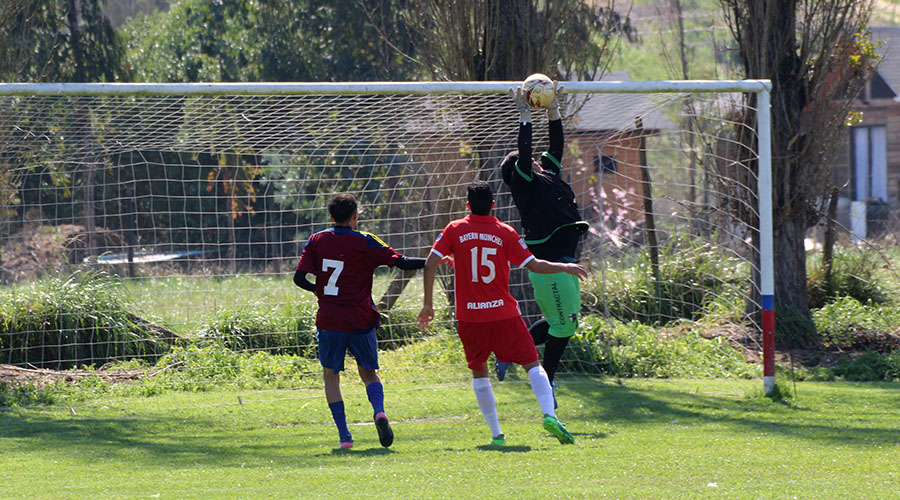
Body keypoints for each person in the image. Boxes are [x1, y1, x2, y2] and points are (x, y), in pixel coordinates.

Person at [416, 181, 587, 446]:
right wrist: (564, 267)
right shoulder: (504, 232)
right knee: (532, 364)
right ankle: (549, 415)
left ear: (468, 206)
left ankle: (497, 435)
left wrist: (428, 305)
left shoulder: (455, 229)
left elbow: (429, 264)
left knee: (480, 373)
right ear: (493, 205)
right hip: (504, 314)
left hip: (470, 318)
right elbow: (536, 264)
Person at [294, 193, 425, 449]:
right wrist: (433, 260)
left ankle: (345, 437)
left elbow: (299, 279)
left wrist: (318, 289)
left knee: (331, 376)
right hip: (360, 318)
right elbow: (403, 263)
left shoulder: (316, 240)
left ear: (331, 217)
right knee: (369, 372)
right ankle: (379, 412)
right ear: (355, 217)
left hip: (330, 319)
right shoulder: (366, 241)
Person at [496, 81, 590, 408]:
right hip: (551, 267)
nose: (537, 160)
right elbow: (524, 152)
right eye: (531, 161)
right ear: (520, 171)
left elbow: (557, 144)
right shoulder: (524, 184)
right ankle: (548, 383)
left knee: (556, 324)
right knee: (564, 328)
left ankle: (510, 351)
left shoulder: (546, 175)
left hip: (559, 263)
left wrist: (554, 111)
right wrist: (524, 114)